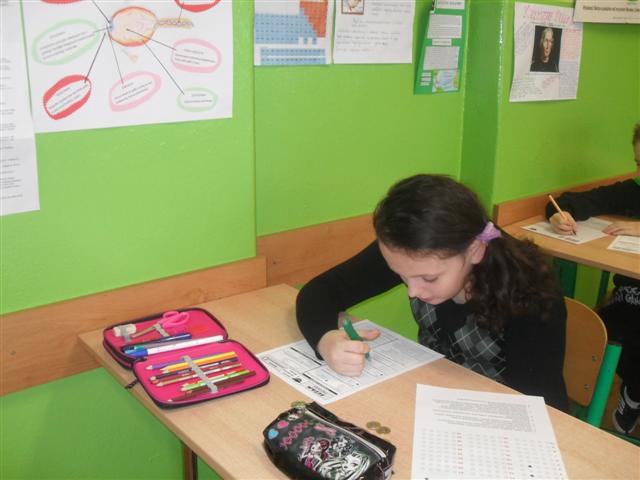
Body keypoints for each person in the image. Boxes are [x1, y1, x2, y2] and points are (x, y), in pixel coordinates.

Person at [297, 174, 569, 411]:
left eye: (429, 278)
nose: (413, 291)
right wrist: (325, 341)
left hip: (495, 415)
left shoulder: (530, 295)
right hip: (431, 392)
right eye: (401, 275)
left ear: (475, 251)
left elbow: (540, 408)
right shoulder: (411, 250)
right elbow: (321, 292)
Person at [545, 123, 640, 434]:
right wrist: (558, 214)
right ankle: (632, 392)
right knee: (597, 329)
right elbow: (570, 201)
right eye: (639, 163)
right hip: (630, 302)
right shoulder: (632, 192)